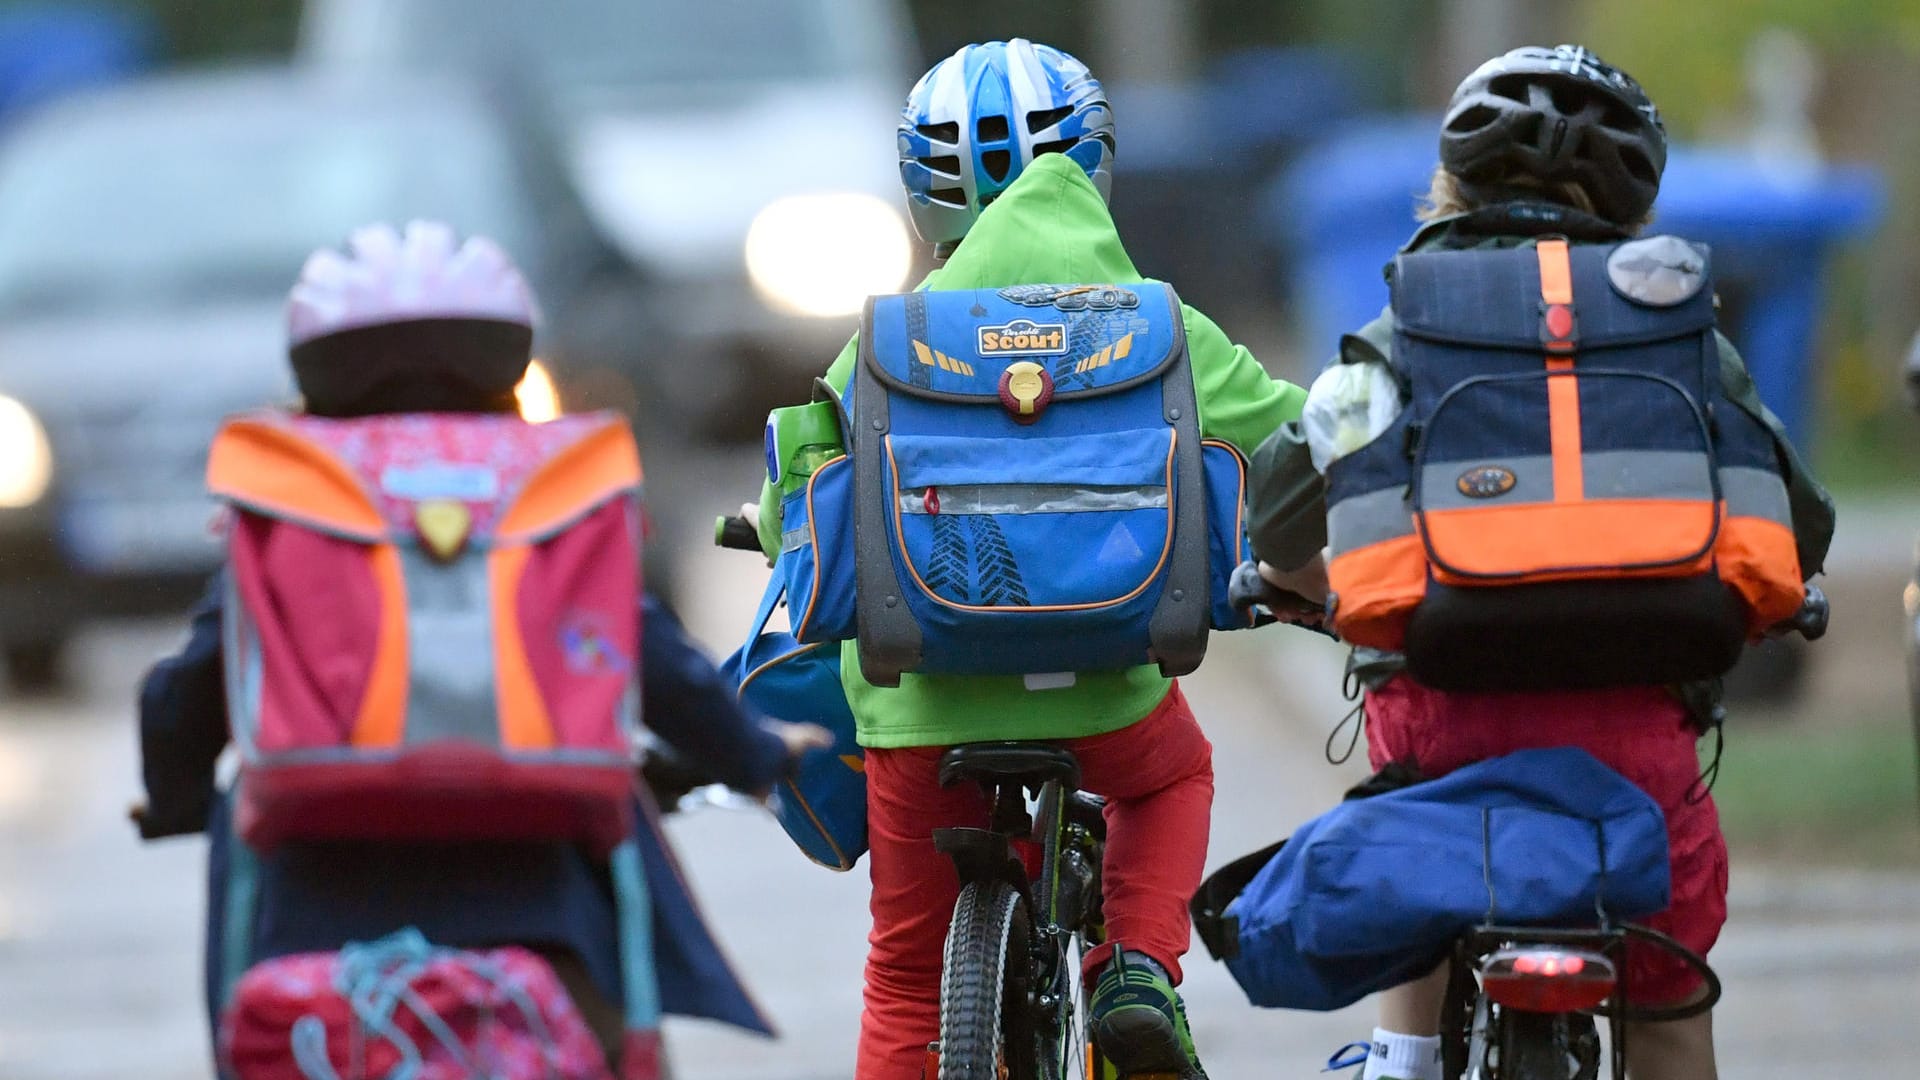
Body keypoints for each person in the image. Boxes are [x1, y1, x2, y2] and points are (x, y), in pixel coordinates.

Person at [1244, 46, 1835, 1080]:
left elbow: (1284, 505)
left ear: (1452, 184)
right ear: (1632, 202)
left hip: (1447, 724)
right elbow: (1800, 517)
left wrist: (1295, 584)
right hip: (1637, 752)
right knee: (1668, 996)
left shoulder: (1406, 325)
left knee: (1416, 835)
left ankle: (1406, 1054)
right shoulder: (1682, 333)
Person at [136, 221, 828, 1076]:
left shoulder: (293, 497)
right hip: (545, 911)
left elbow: (184, 692)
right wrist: (755, 754)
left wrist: (172, 798)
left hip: (312, 914)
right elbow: (646, 656)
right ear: (505, 363)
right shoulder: (551, 484)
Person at [749, 39, 1305, 1080]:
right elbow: (1295, 447)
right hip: (1107, 702)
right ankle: (1138, 966)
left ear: (927, 194)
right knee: (1175, 773)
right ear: (1094, 161)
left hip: (922, 715)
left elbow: (803, 503)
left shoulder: (884, 342)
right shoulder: (1159, 327)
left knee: (909, 980)